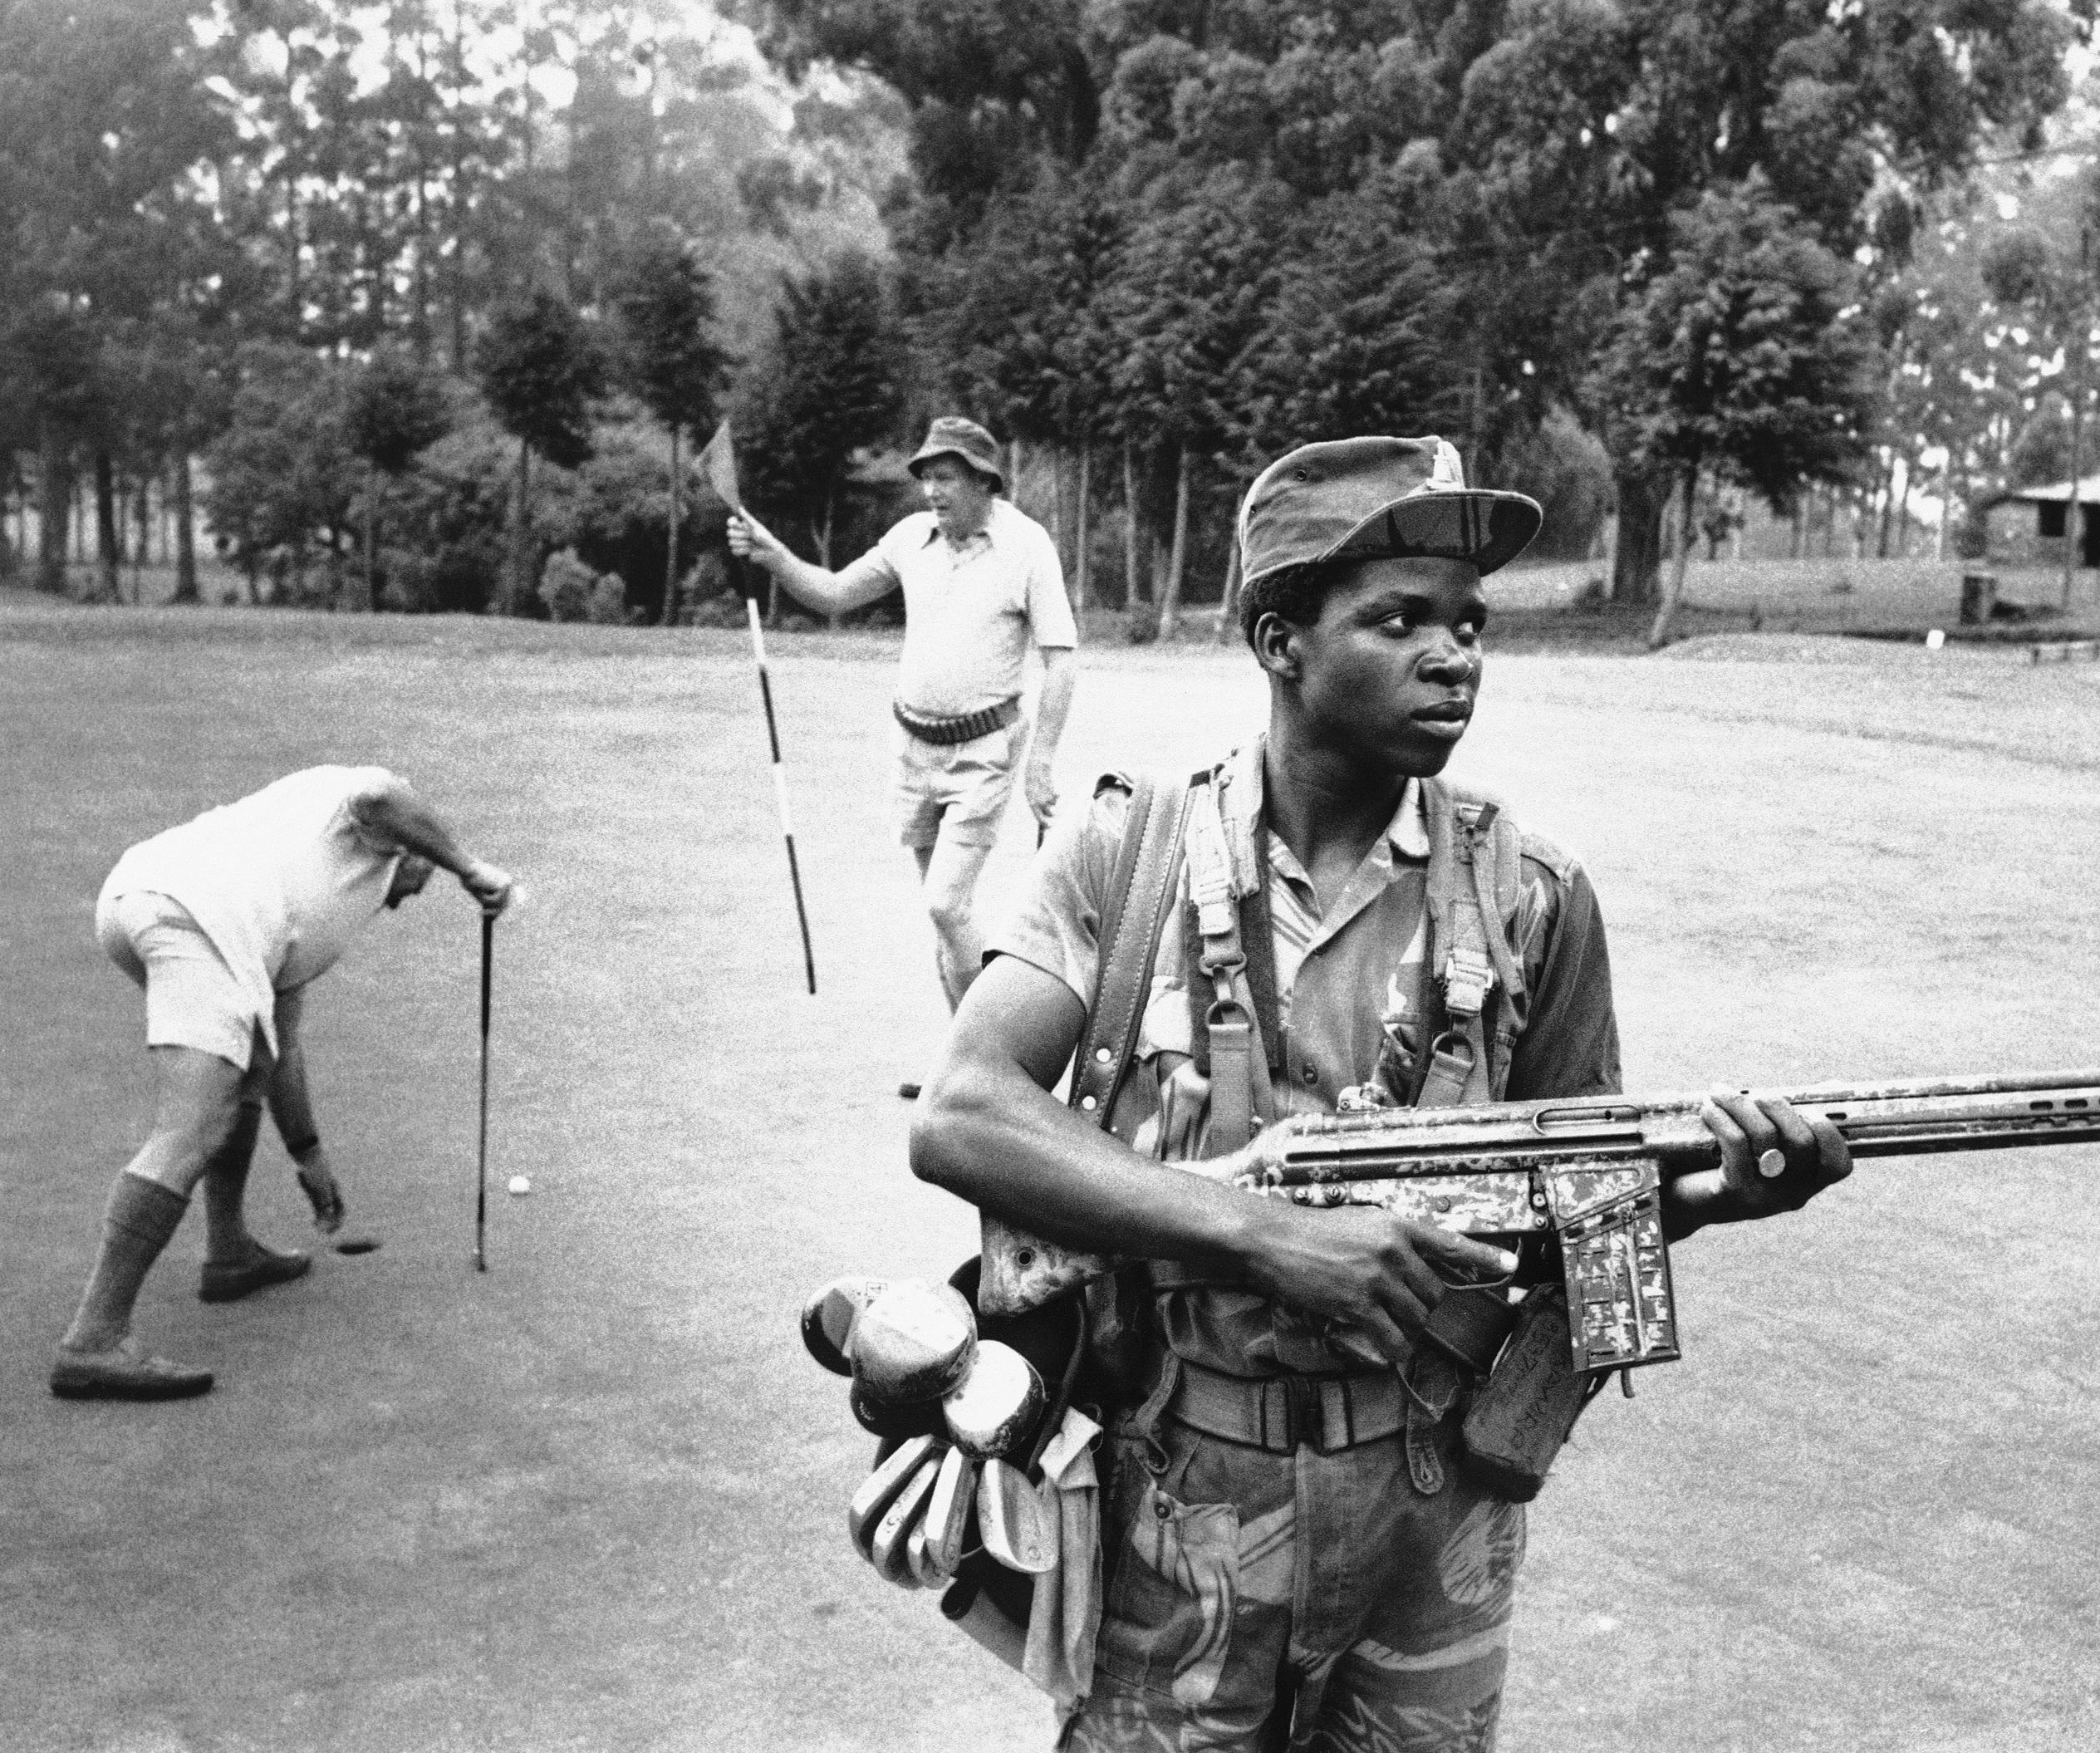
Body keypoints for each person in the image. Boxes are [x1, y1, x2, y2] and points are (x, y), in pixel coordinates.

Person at [910, 435, 1853, 1749]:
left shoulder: (1536, 896)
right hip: (1181, 1493)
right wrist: (1261, 1232)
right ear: (1280, 638)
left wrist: (1707, 1195)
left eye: (1469, 623)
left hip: (1436, 1493)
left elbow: (1588, 1201)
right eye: (1399, 618)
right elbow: (961, 1109)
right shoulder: (1129, 852)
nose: (1454, 654)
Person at [52, 766, 515, 1402]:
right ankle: (94, 1340)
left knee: (242, 1070)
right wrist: (472, 868)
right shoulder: (366, 807)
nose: (408, 898)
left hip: (143, 898)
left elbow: (279, 1047)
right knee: (189, 1129)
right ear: (406, 848)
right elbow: (384, 799)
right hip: (199, 912)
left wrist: (310, 1157)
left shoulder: (305, 871)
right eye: (419, 876)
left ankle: (230, 1252)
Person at [727, 415, 1078, 1021]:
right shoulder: (910, 539)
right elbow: (834, 594)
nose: (932, 491)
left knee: (947, 904)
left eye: (946, 477)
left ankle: (990, 1055)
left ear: (983, 481)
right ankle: (960, 1069)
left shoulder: (1027, 546)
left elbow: (1061, 661)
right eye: (927, 479)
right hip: (913, 750)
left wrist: (1041, 760)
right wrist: (773, 555)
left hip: (984, 753)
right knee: (943, 915)